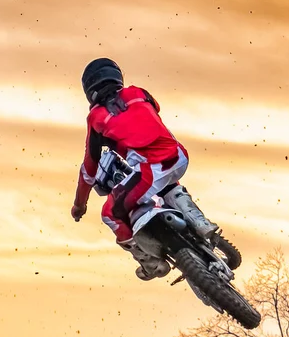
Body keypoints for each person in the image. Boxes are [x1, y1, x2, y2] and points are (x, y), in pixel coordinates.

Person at [71, 58, 218, 281]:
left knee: (109, 213)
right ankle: (198, 220)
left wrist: (79, 205)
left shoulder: (96, 118)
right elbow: (155, 109)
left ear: (89, 89)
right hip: (179, 156)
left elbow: (89, 169)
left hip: (150, 172)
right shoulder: (138, 92)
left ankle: (152, 263)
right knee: (165, 183)